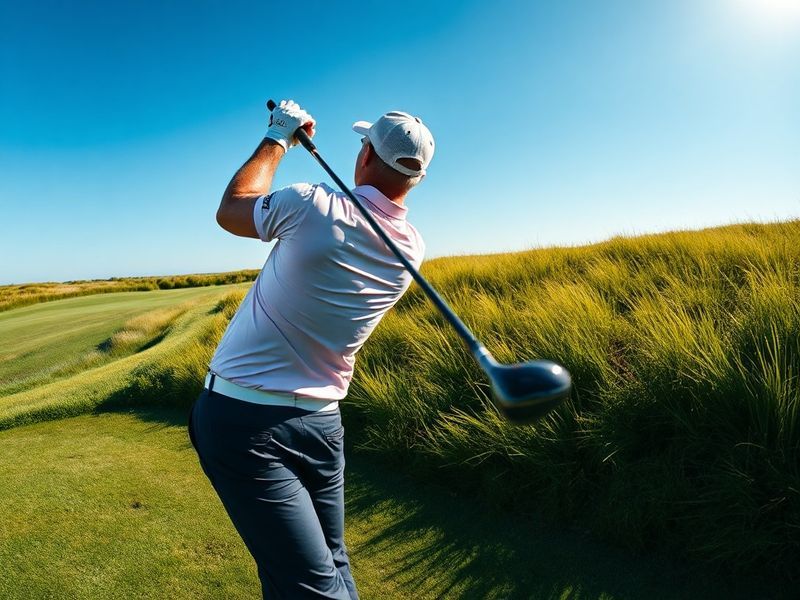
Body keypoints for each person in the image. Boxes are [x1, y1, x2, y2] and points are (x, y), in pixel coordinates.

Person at [188, 99, 435, 599]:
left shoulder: (310, 203)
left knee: (310, 586)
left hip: (243, 423)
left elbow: (232, 209)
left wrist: (278, 135)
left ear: (365, 156)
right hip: (322, 423)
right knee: (328, 566)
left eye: (364, 144)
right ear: (415, 178)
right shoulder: (410, 246)